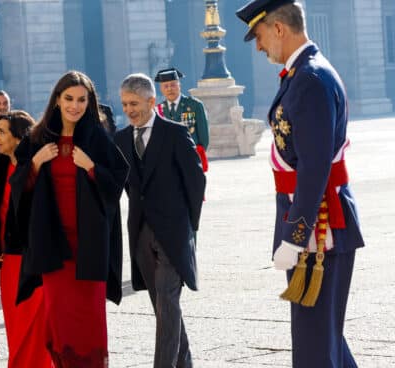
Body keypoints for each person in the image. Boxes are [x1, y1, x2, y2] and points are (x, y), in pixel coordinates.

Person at [236, 1, 365, 367]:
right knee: (325, 339)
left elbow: (314, 167)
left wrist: (295, 236)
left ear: (279, 29)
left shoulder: (309, 78)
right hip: (315, 221)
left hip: (318, 228)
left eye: (259, 37)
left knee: (314, 347)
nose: (258, 47)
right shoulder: (303, 74)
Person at [9, 71, 129, 367]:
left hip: (89, 245)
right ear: (57, 101)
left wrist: (91, 168)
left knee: (90, 322)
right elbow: (17, 189)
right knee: (61, 321)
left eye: (81, 100)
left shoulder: (97, 138)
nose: (75, 106)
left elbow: (116, 186)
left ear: (90, 103)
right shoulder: (38, 138)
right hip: (53, 245)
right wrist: (36, 164)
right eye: (69, 99)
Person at [114, 73, 205, 368]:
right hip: (141, 235)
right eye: (125, 104)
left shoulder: (175, 133)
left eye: (135, 103)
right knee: (164, 308)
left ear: (152, 101)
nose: (129, 110)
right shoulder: (120, 139)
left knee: (167, 304)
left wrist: (188, 228)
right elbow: (127, 186)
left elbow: (195, 182)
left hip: (174, 234)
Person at [0, 110, 52, 368]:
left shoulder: (39, 162)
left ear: (19, 136)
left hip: (34, 258)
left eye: (2, 131)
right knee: (16, 325)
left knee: (35, 326)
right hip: (8, 259)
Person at [154, 68, 210, 172]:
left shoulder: (194, 105)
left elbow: (204, 137)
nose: (170, 89)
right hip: (168, 163)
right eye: (166, 86)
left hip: (191, 159)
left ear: (179, 85)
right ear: (161, 89)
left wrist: (198, 156)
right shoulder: (158, 110)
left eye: (173, 85)